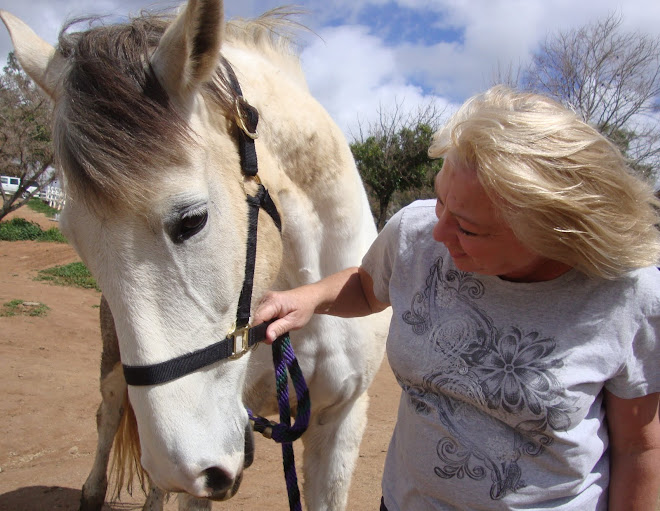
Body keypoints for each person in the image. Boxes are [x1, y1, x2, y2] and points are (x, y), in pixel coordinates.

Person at [254, 86, 660, 510]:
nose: (439, 232)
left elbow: (639, 447)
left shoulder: (630, 297)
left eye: (467, 228)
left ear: (553, 234)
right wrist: (310, 297)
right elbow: (369, 285)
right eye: (440, 199)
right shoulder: (415, 231)